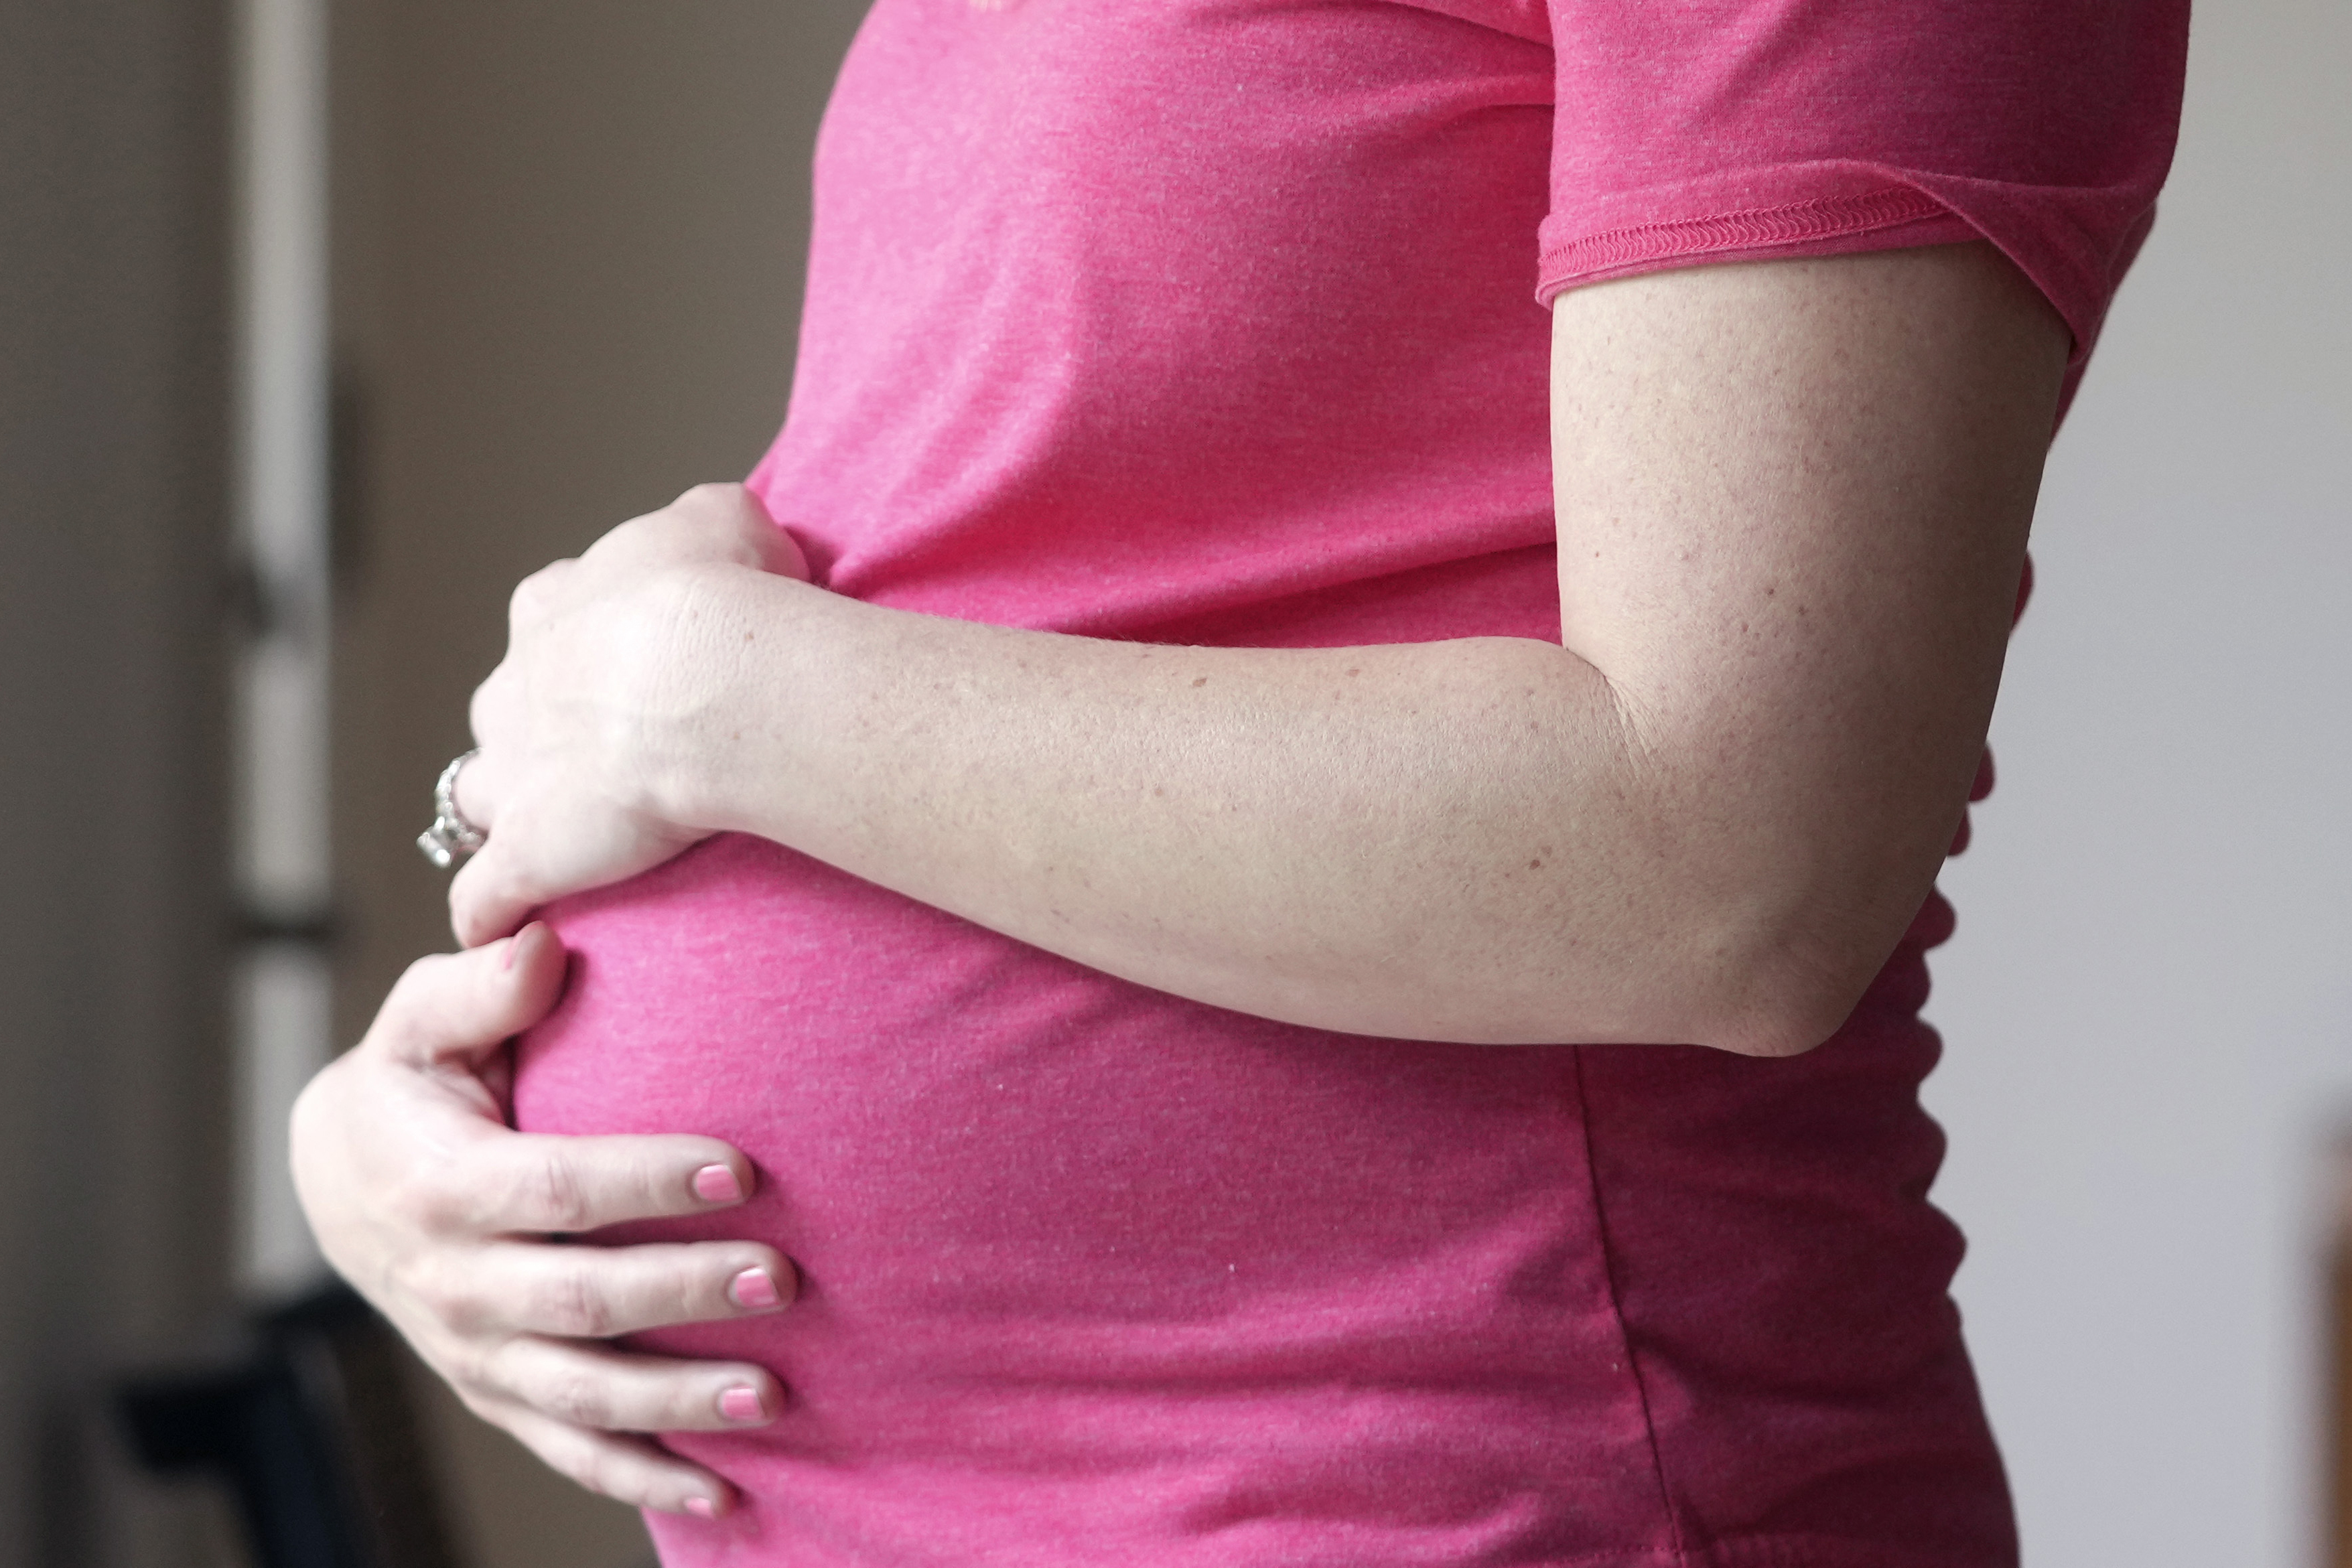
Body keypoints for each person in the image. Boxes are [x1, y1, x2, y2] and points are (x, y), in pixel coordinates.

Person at [291, 2, 2188, 1564]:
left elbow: (1730, 860)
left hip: (1463, 1484)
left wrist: (715, 698)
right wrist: (449, 1095)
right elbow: (1023, 573)